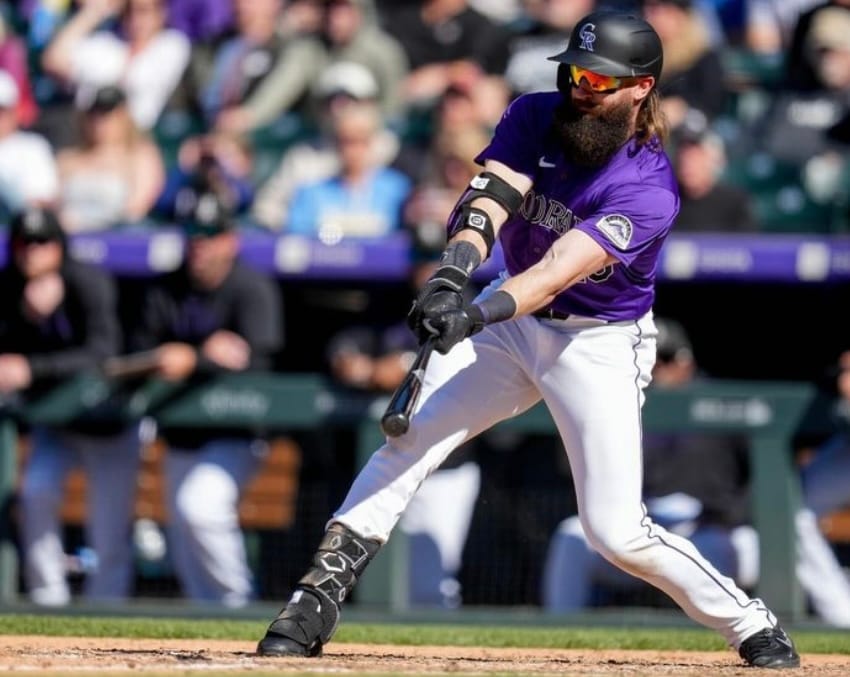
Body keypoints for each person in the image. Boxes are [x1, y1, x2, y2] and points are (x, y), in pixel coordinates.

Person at [255, 10, 799, 668]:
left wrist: (474, 316)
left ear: (640, 90)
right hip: (510, 316)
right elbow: (491, 194)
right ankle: (315, 597)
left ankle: (749, 621)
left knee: (614, 530)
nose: (580, 87)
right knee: (410, 436)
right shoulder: (535, 114)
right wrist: (454, 272)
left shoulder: (647, 185)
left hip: (596, 339)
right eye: (575, 71)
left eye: (599, 79)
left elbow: (553, 274)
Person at [543, 317, 850, 626]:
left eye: (663, 360)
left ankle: (736, 632)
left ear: (683, 361)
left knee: (725, 544)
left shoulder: (721, 400)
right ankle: (560, 630)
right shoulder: (623, 401)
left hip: (715, 528)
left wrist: (727, 516)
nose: (654, 369)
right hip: (646, 523)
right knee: (572, 536)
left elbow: (768, 474)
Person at [127, 187, 283, 606]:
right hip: (179, 430)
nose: (200, 245)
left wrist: (193, 360)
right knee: (182, 529)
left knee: (200, 506)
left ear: (230, 239)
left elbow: (260, 364)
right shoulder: (165, 288)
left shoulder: (252, 287)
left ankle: (239, 603)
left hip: (239, 431)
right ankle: (208, 622)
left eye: (210, 235)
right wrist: (196, 356)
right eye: (194, 235)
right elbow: (136, 355)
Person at [0, 206, 141, 606]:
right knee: (36, 493)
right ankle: (48, 598)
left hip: (109, 422)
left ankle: (107, 609)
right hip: (56, 425)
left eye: (42, 242)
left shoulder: (87, 281)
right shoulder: (10, 287)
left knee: (108, 529)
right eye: (24, 243)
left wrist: (34, 365)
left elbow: (103, 353)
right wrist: (29, 319)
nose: (32, 251)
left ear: (59, 245)